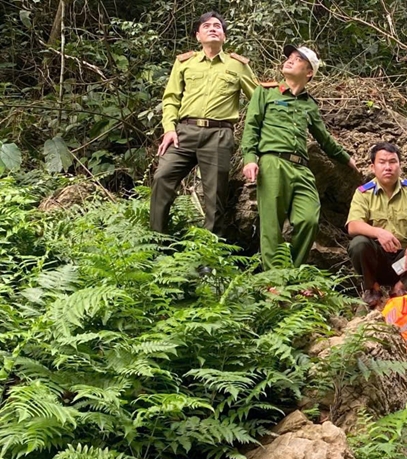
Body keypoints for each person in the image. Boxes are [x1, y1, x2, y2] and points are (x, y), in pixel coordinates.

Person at [240, 45, 359, 268]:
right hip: (273, 162)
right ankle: (274, 278)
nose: (290, 60)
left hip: (301, 168)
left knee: (309, 219)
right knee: (271, 224)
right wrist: (250, 159)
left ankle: (291, 273)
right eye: (289, 57)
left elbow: (324, 138)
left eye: (298, 59)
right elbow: (252, 126)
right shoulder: (265, 92)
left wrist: (347, 159)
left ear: (309, 72)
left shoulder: (309, 104)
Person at [150, 11, 257, 237]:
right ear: (198, 36)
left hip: (218, 134)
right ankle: (157, 241)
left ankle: (210, 250)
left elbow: (258, 100)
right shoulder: (185, 62)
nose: (212, 29)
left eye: (217, 26)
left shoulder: (237, 65)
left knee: (215, 197)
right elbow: (171, 99)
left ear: (224, 36)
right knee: (162, 177)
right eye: (206, 26)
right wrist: (169, 129)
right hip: (183, 133)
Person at [346, 142, 407, 308]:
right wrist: (379, 233)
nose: (388, 167)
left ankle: (400, 288)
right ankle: (373, 289)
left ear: (400, 165)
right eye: (382, 162)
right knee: (358, 244)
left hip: (405, 261)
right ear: (373, 167)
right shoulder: (363, 193)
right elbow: (353, 225)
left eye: (393, 162)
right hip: (377, 261)